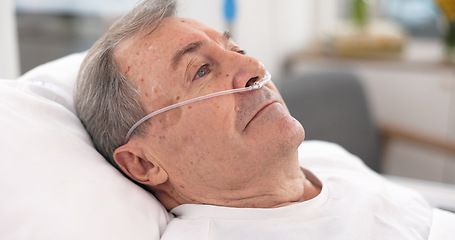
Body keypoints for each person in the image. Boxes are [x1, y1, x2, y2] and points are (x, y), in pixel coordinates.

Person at [75, 0, 447, 239]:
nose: (254, 67)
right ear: (143, 163)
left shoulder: (326, 157)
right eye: (201, 71)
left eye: (237, 49)